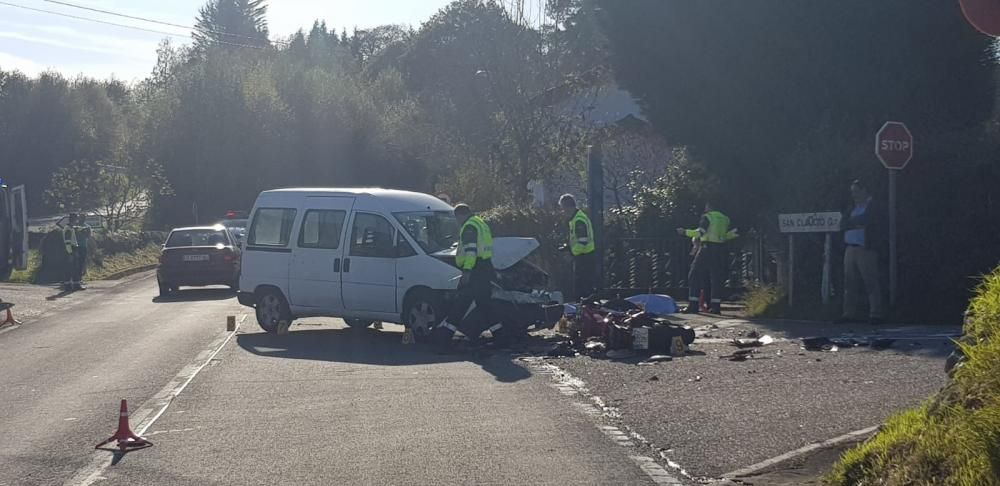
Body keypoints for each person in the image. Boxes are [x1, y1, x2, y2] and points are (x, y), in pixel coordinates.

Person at [429, 204, 503, 347]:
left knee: (461, 303)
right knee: (485, 304)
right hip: (485, 268)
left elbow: (471, 251)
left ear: (460, 215)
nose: (457, 222)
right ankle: (501, 336)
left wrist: (467, 271)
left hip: (475, 270)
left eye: (457, 218)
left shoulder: (469, 226)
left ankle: (444, 337)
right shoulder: (480, 223)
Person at [836, 179, 885, 325]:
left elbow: (869, 220)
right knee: (849, 283)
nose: (854, 195)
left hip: (866, 248)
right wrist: (855, 222)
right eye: (852, 192)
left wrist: (854, 222)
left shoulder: (873, 206)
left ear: (864, 190)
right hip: (850, 248)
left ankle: (876, 314)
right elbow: (842, 224)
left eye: (856, 191)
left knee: (870, 281)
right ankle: (849, 314)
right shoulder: (852, 207)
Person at [677, 202, 737, 314]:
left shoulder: (708, 217)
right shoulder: (725, 219)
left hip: (707, 249)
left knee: (694, 274)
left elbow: (700, 232)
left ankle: (693, 305)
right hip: (720, 250)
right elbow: (726, 235)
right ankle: (715, 307)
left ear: (709, 207)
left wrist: (685, 232)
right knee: (716, 278)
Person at [558, 194, 596, 301]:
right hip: (582, 256)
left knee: (582, 288)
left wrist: (571, 253)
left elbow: (582, 242)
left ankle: (585, 311)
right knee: (582, 287)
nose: (563, 211)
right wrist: (568, 247)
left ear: (568, 207)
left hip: (584, 257)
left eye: (563, 208)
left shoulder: (578, 220)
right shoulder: (576, 218)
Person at [61, 213, 79, 291]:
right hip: (71, 249)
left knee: (75, 267)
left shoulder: (71, 227)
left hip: (73, 248)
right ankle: (69, 285)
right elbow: (67, 242)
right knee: (70, 268)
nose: (77, 221)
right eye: (76, 219)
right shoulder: (68, 229)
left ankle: (75, 284)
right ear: (74, 220)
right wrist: (70, 253)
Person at [74, 214, 92, 290]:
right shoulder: (75, 227)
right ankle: (76, 281)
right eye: (81, 218)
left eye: (83, 218)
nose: (82, 219)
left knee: (81, 263)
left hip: (83, 246)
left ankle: (79, 279)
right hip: (76, 246)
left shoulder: (87, 227)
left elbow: (88, 236)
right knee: (76, 264)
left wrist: (84, 232)